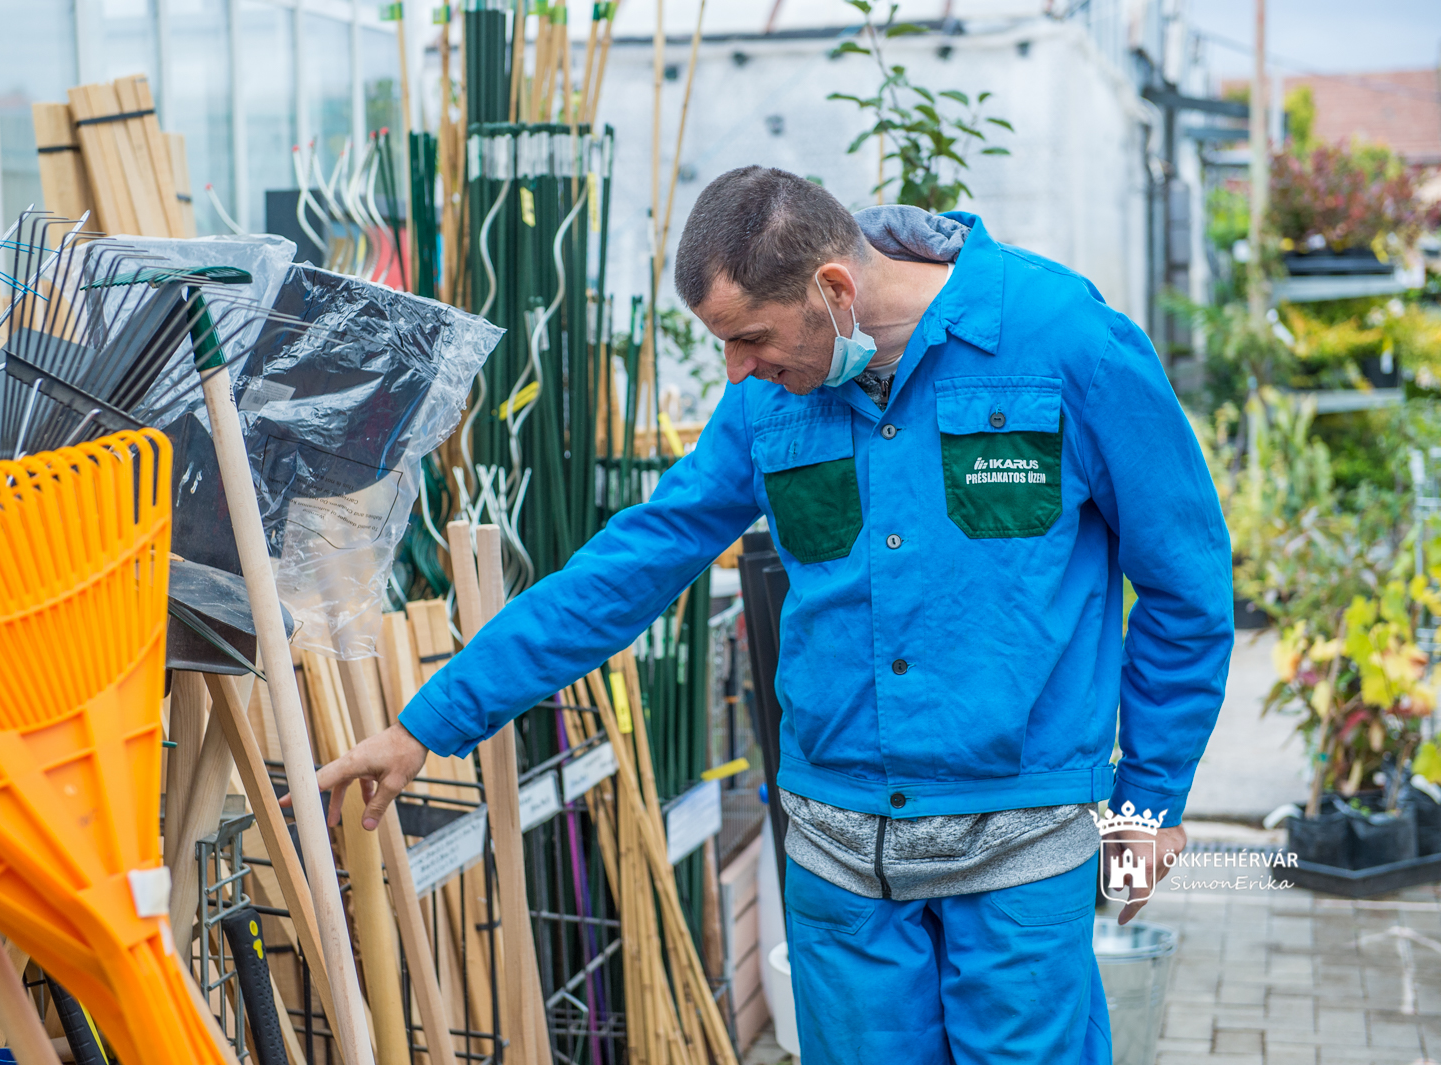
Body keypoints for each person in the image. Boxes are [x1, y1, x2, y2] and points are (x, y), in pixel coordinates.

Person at [308, 166, 1233, 1064]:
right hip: (840, 860)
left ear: (833, 287)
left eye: (749, 337)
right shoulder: (766, 402)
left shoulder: (1065, 341)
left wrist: (1148, 805)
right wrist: (429, 721)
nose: (737, 368)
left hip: (1022, 849)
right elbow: (630, 566)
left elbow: (1185, 587)